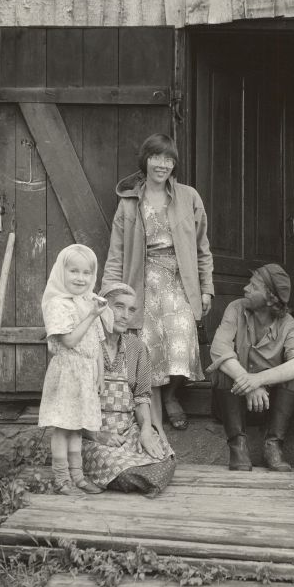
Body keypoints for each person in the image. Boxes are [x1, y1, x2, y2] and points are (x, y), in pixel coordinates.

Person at [102, 133, 214, 432]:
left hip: (180, 282)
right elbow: (116, 253)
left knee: (182, 344)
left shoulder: (189, 197)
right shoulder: (127, 204)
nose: (162, 164)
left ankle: (172, 395)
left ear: (173, 164)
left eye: (168, 159)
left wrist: (206, 288)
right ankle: (153, 421)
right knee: (147, 349)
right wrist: (109, 294)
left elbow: (203, 247)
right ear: (145, 161)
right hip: (143, 285)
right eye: (156, 157)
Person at [207, 264, 294, 471]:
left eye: (253, 286)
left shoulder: (288, 324)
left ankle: (273, 445)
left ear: (270, 299)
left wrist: (259, 380)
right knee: (222, 366)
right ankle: (238, 445)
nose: (245, 288)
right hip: (232, 402)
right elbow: (218, 348)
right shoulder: (235, 308)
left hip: (269, 407)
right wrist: (249, 383)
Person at [82, 283, 176, 496]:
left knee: (164, 455)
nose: (125, 315)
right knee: (118, 467)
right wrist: (96, 435)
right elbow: (72, 402)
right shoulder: (84, 343)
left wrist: (145, 430)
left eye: (131, 310)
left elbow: (142, 396)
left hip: (128, 429)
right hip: (91, 433)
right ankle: (138, 479)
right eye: (119, 307)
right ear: (102, 307)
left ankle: (142, 478)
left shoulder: (136, 347)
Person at [38, 244, 107, 496]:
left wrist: (100, 375)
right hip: (67, 372)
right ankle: (61, 479)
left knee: (77, 426)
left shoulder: (89, 301)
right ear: (61, 271)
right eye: (74, 271)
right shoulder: (59, 303)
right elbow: (69, 341)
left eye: (86, 273)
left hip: (86, 373)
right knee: (63, 426)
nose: (80, 278)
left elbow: (97, 344)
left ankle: (78, 477)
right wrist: (90, 315)